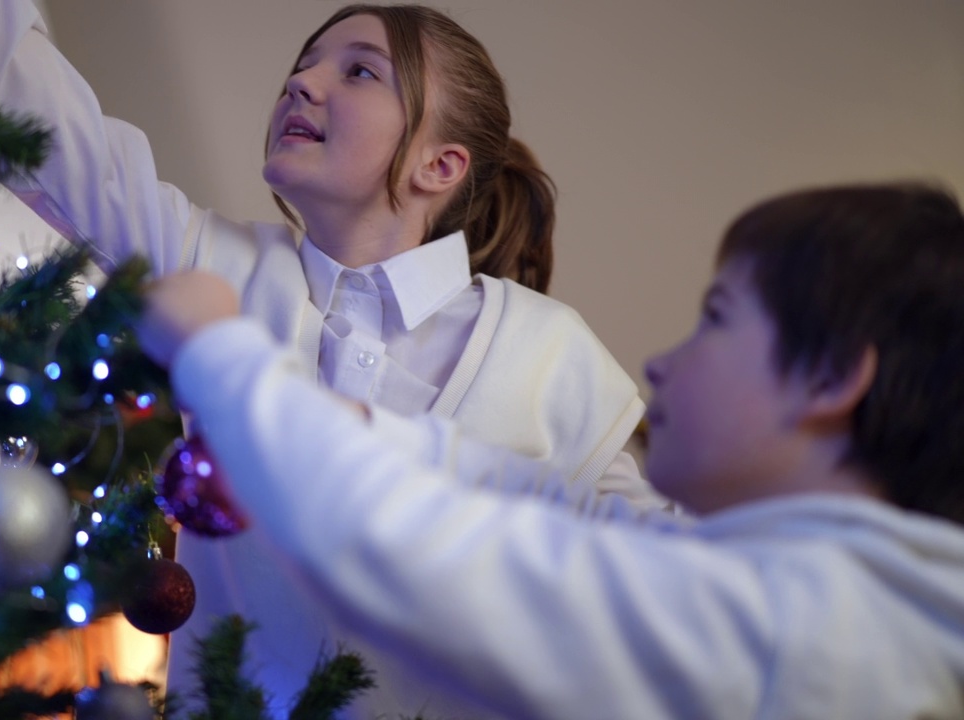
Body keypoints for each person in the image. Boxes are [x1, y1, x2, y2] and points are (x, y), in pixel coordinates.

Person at [0, 2, 664, 715]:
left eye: (360, 72)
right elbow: (26, 108)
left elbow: (672, 595)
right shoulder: (208, 263)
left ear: (441, 166)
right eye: (304, 65)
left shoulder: (553, 354)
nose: (301, 83)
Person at [137, 182, 964, 719]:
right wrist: (359, 423)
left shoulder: (805, 638)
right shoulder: (809, 589)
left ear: (832, 381)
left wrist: (217, 349)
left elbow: (416, 550)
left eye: (716, 316)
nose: (659, 363)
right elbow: (557, 507)